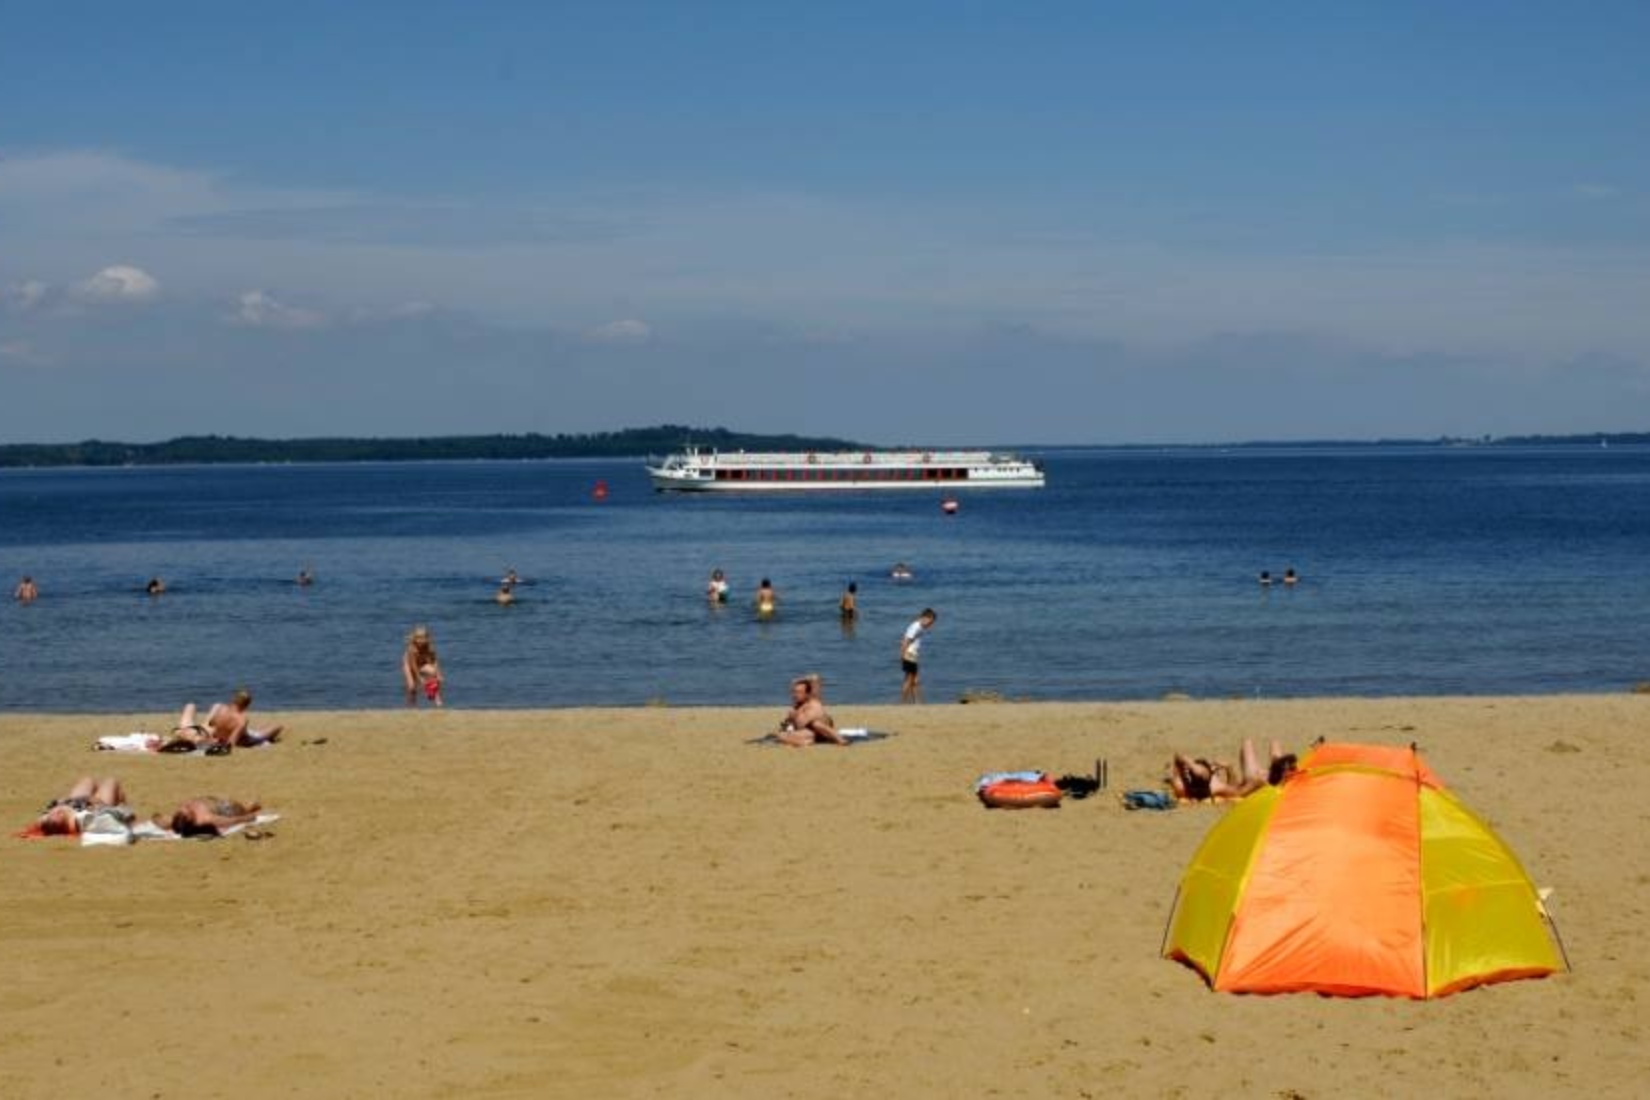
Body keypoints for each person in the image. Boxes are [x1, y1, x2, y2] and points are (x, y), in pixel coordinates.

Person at [1168, 739, 1296, 801]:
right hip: (1256, 779)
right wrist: (1229, 768)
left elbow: (1177, 758)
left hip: (1257, 778)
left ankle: (1278, 766)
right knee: (1252, 743)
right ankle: (1278, 767)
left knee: (1250, 743)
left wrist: (1185, 767)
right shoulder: (1216, 786)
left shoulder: (1183, 787)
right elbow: (1236, 791)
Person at [167, 690, 282, 750]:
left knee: (191, 706)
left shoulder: (221, 709)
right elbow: (232, 743)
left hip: (213, 734)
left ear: (234, 700)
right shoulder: (241, 720)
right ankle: (273, 732)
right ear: (247, 706)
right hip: (242, 738)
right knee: (274, 729)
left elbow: (212, 724)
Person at [35, 776, 130, 836]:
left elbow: (45, 819)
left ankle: (124, 811)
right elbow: (98, 806)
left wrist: (62, 804)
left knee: (88, 780)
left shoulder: (45, 820)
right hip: (99, 809)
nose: (54, 814)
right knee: (111, 782)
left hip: (74, 805)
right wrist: (90, 800)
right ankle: (125, 814)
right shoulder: (81, 820)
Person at [774, 674, 845, 746]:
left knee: (816, 724)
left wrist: (797, 680)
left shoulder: (814, 700)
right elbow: (790, 726)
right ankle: (802, 742)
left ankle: (840, 740)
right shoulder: (796, 707)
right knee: (780, 735)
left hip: (823, 732)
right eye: (794, 692)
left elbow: (815, 677)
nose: (795, 695)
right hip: (810, 734)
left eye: (798, 692)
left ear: (807, 694)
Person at [161, 796, 262, 837]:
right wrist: (247, 818)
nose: (185, 808)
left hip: (219, 804)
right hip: (229, 809)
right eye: (186, 811)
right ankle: (250, 808)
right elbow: (231, 821)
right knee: (246, 809)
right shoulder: (206, 818)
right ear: (190, 818)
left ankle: (249, 807)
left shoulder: (179, 819)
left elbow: (159, 819)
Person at [900, 608, 937, 703]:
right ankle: (903, 703)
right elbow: (905, 641)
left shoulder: (919, 627)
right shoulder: (915, 627)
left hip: (913, 655)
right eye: (930, 622)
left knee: (915, 680)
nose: (930, 625)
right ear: (926, 618)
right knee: (909, 680)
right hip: (909, 654)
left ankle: (916, 702)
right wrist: (902, 656)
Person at [402, 625, 444, 706]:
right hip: (409, 665)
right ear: (415, 639)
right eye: (418, 638)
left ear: (427, 638)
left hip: (421, 663)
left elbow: (434, 661)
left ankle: (435, 696)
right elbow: (413, 666)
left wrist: (439, 674)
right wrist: (419, 678)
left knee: (433, 672)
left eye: (423, 638)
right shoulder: (412, 649)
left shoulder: (430, 647)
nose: (421, 641)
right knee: (412, 687)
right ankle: (412, 703)